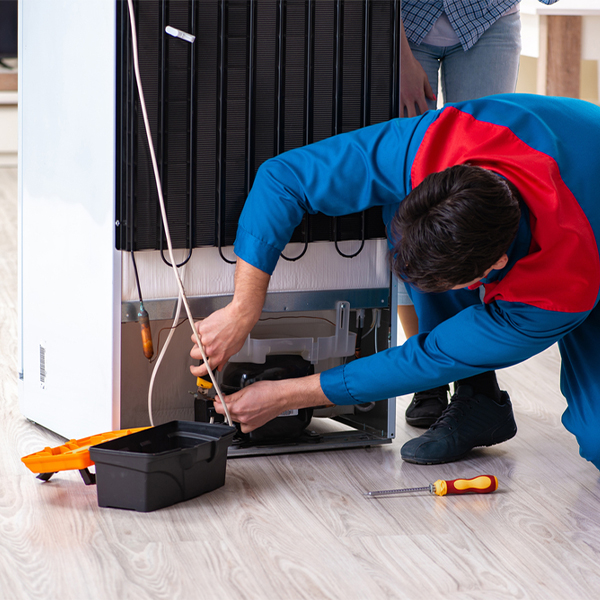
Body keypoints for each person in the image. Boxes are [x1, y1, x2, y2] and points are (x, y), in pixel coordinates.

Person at [190, 93, 600, 471]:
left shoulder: (556, 290)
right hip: (562, 142)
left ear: (497, 263)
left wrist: (284, 396)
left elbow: (429, 357)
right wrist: (244, 307)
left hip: (589, 244)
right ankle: (481, 400)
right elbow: (284, 179)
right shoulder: (439, 143)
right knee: (403, 212)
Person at [398, 0, 559, 428]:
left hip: (487, 20)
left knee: (482, 190)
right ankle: (426, 370)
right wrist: (391, 51)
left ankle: (472, 373)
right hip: (403, 25)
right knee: (411, 192)